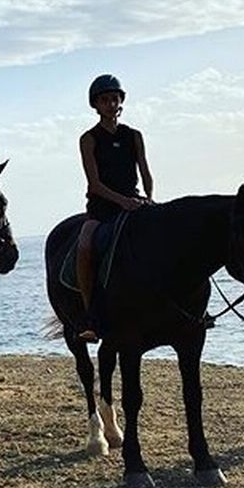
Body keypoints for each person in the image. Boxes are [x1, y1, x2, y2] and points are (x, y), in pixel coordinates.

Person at [76, 74, 153, 342]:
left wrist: (149, 197)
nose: (110, 104)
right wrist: (123, 202)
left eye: (114, 99)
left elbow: (145, 171)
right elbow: (94, 184)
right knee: (85, 247)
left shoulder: (133, 136)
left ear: (121, 102)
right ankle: (91, 316)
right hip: (102, 208)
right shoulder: (89, 139)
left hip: (134, 202)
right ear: (95, 105)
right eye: (105, 100)